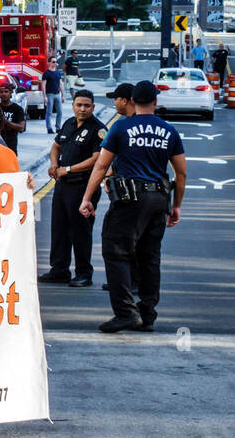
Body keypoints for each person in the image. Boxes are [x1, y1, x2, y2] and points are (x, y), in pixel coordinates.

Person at [80, 82, 186, 333]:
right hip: (159, 199)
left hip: (130, 201)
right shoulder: (169, 131)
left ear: (131, 101)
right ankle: (147, 314)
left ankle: (125, 312)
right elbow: (181, 173)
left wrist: (87, 198)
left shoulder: (121, 127)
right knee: (150, 256)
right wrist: (177, 205)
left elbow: (101, 166)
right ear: (155, 102)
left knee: (116, 252)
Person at [39, 89, 106, 289]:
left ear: (93, 107)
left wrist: (66, 169)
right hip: (62, 185)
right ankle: (59, 270)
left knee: (80, 231)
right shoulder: (68, 123)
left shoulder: (99, 129)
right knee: (59, 229)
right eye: (79, 105)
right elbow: (55, 147)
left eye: (87, 105)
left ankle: (84, 273)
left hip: (83, 186)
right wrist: (53, 165)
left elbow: (97, 159)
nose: (82, 109)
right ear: (73, 105)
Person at [0, 81, 26, 152]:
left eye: (6, 92)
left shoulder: (18, 109)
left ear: (11, 93)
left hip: (11, 144)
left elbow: (21, 127)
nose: (3, 94)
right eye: (1, 92)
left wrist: (6, 122)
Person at [40, 58, 66, 133]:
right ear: (49, 63)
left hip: (57, 94)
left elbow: (60, 84)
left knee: (60, 112)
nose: (55, 63)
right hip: (49, 94)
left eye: (56, 62)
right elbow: (43, 85)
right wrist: (44, 96)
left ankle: (58, 128)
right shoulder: (46, 73)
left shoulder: (57, 72)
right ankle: (49, 128)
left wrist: (63, 95)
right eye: (53, 62)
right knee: (49, 112)